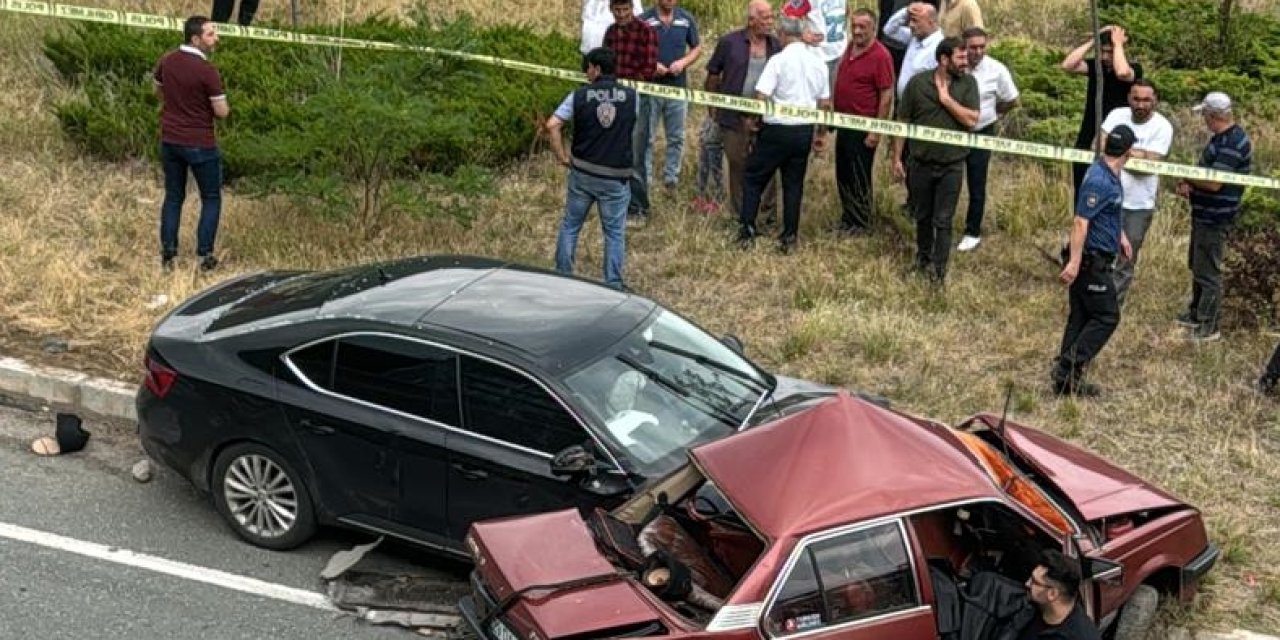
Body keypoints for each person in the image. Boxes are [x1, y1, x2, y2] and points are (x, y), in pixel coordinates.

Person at [1052, 125, 1135, 397]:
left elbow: (1105, 213)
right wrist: (1074, 263)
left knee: (1081, 315)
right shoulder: (1099, 179)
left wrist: (1120, 236)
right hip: (1090, 261)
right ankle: (1068, 365)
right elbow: (1080, 222)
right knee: (1107, 316)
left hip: (1098, 255)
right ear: (1129, 151)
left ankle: (1066, 381)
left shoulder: (1110, 173)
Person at [545, 48, 638, 291]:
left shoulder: (578, 95)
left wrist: (562, 156)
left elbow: (552, 125)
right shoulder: (632, 96)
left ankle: (562, 275)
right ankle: (613, 284)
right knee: (614, 233)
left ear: (596, 69)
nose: (586, 73)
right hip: (616, 176)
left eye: (587, 68)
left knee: (571, 225)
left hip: (583, 173)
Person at [737, 16, 831, 254]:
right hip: (803, 131)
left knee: (753, 177)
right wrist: (821, 133)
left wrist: (755, 122)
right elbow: (825, 103)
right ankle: (789, 236)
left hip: (777, 129)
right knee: (793, 185)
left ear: (783, 35)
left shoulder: (778, 61)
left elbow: (761, 95)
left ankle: (747, 229)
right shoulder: (819, 62)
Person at [891, 37, 978, 283]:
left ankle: (938, 273)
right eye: (960, 58)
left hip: (952, 165)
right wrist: (897, 158)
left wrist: (947, 100)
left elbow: (972, 120)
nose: (965, 62)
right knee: (923, 216)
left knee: (944, 220)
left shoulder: (968, 84)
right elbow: (903, 122)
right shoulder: (917, 84)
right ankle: (922, 260)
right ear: (943, 59)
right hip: (919, 163)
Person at [1175, 92, 1253, 342]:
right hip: (1204, 213)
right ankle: (1196, 313)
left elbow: (1214, 182)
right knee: (1198, 265)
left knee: (1209, 271)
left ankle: (1209, 325)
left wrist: (1188, 177)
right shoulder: (1220, 139)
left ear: (1212, 115)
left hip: (1216, 217)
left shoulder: (1232, 142)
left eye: (1205, 115)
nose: (1204, 120)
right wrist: (1192, 184)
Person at [153, 16, 229, 272]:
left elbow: (157, 89)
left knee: (174, 196)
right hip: (200, 142)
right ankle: (205, 255)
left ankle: (168, 254)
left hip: (170, 139)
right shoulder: (207, 71)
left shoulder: (167, 60)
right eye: (210, 34)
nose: (216, 38)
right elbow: (221, 111)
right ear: (196, 39)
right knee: (211, 198)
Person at [705, 0, 782, 228]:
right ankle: (740, 219)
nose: (770, 22)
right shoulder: (729, 42)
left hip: (766, 118)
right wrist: (714, 108)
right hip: (734, 117)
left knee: (767, 167)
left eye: (771, 17)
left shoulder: (776, 45)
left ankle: (767, 218)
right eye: (765, 18)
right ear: (751, 20)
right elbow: (712, 75)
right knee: (738, 166)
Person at [1099, 79, 1172, 302]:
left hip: (1138, 204)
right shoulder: (1116, 115)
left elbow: (1151, 163)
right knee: (1101, 251)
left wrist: (1119, 149)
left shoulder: (1163, 126)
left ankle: (1113, 303)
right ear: (1129, 98)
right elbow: (1100, 145)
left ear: (1155, 101)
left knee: (1125, 256)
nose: (1141, 104)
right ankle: (1096, 297)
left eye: (1146, 100)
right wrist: (1136, 153)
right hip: (1107, 196)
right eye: (1136, 99)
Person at [832, 8, 894, 235]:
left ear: (873, 28)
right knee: (843, 173)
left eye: (862, 27)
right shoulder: (850, 47)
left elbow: (886, 95)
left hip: (863, 127)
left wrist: (876, 131)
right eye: (854, 26)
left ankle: (860, 222)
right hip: (844, 124)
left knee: (859, 176)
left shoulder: (881, 56)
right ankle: (848, 217)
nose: (857, 31)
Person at [957, 26, 1018, 253]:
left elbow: (1012, 99)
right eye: (973, 47)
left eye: (982, 47)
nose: (978, 52)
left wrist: (994, 112)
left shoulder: (996, 70)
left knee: (977, 182)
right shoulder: (956, 65)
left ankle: (972, 231)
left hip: (982, 130)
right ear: (964, 46)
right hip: (955, 130)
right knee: (949, 178)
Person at [1061, 26, 1140, 199]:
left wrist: (1118, 44)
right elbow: (1068, 65)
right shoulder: (1096, 67)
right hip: (1088, 134)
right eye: (1102, 52)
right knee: (1082, 190)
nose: (1105, 57)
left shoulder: (1134, 68)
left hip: (1116, 140)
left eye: (1110, 52)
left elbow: (1122, 72)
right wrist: (1093, 40)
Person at [603, 0, 658, 225]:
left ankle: (639, 207)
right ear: (612, 10)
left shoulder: (646, 31)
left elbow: (650, 66)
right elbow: (606, 64)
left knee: (636, 154)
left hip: (637, 98)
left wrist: (631, 86)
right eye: (618, 10)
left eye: (626, 10)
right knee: (615, 152)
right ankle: (619, 203)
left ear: (632, 10)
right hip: (614, 98)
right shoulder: (610, 33)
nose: (622, 14)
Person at [640, 0, 701, 192]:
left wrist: (683, 63)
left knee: (676, 137)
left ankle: (671, 177)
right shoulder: (644, 20)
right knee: (646, 137)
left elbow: (697, 48)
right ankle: (645, 178)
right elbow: (635, 50)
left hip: (677, 88)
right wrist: (651, 64)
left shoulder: (686, 18)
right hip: (651, 88)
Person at [1018, 550, 1102, 640]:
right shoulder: (1032, 606)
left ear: (1052, 594)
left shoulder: (1077, 635)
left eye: (1034, 581)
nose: (1027, 583)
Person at [882, 2, 943, 100]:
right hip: (904, 105)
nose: (910, 25)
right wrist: (906, 11)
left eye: (915, 21)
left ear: (931, 22)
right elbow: (889, 30)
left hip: (923, 109)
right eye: (910, 20)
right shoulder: (914, 37)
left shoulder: (939, 47)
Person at [692, 117, 725, 213]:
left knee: (713, 145)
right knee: (705, 142)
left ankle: (716, 200)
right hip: (711, 116)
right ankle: (701, 196)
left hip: (723, 118)